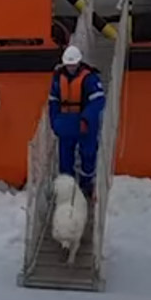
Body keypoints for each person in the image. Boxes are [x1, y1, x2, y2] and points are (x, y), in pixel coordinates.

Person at [48, 45, 106, 199]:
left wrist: (86, 118)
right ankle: (67, 188)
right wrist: (54, 121)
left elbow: (98, 101)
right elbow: (53, 101)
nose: (71, 68)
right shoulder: (58, 78)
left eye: (73, 65)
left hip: (85, 123)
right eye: (69, 65)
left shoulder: (90, 78)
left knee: (88, 153)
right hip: (65, 122)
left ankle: (86, 185)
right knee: (65, 156)